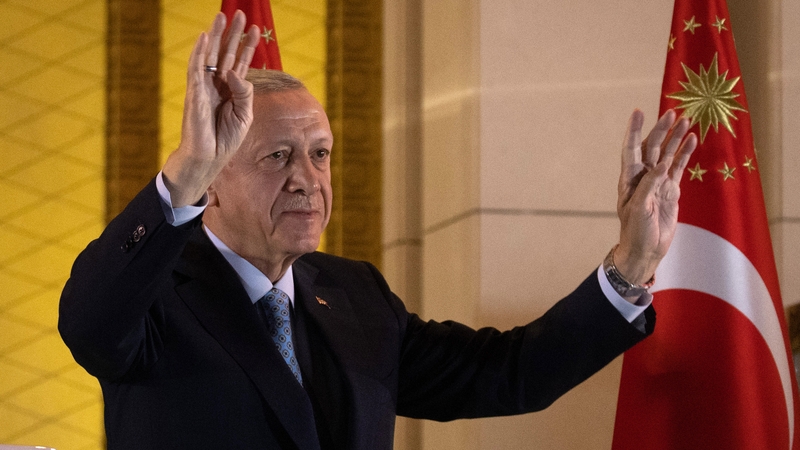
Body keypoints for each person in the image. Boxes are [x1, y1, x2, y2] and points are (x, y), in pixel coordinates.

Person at [58, 11, 697, 450]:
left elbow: (510, 373)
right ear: (215, 179)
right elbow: (88, 321)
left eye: (320, 154)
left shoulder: (354, 295)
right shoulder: (156, 291)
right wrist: (186, 168)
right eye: (277, 156)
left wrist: (632, 263)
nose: (308, 179)